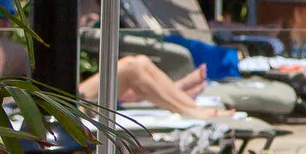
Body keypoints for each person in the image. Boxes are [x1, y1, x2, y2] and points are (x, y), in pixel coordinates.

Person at [80, 53, 233, 119]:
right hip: (73, 106)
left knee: (142, 62)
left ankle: (189, 105)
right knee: (132, 67)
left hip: (76, 97)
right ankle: (186, 107)